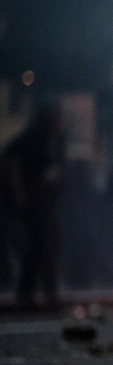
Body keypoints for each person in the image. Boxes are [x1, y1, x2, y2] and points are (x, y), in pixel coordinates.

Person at [0, 107, 64, 309]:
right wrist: (19, 194)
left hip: (41, 202)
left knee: (44, 246)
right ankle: (27, 294)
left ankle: (45, 293)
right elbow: (13, 161)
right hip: (32, 202)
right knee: (39, 245)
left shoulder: (46, 141)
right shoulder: (33, 138)